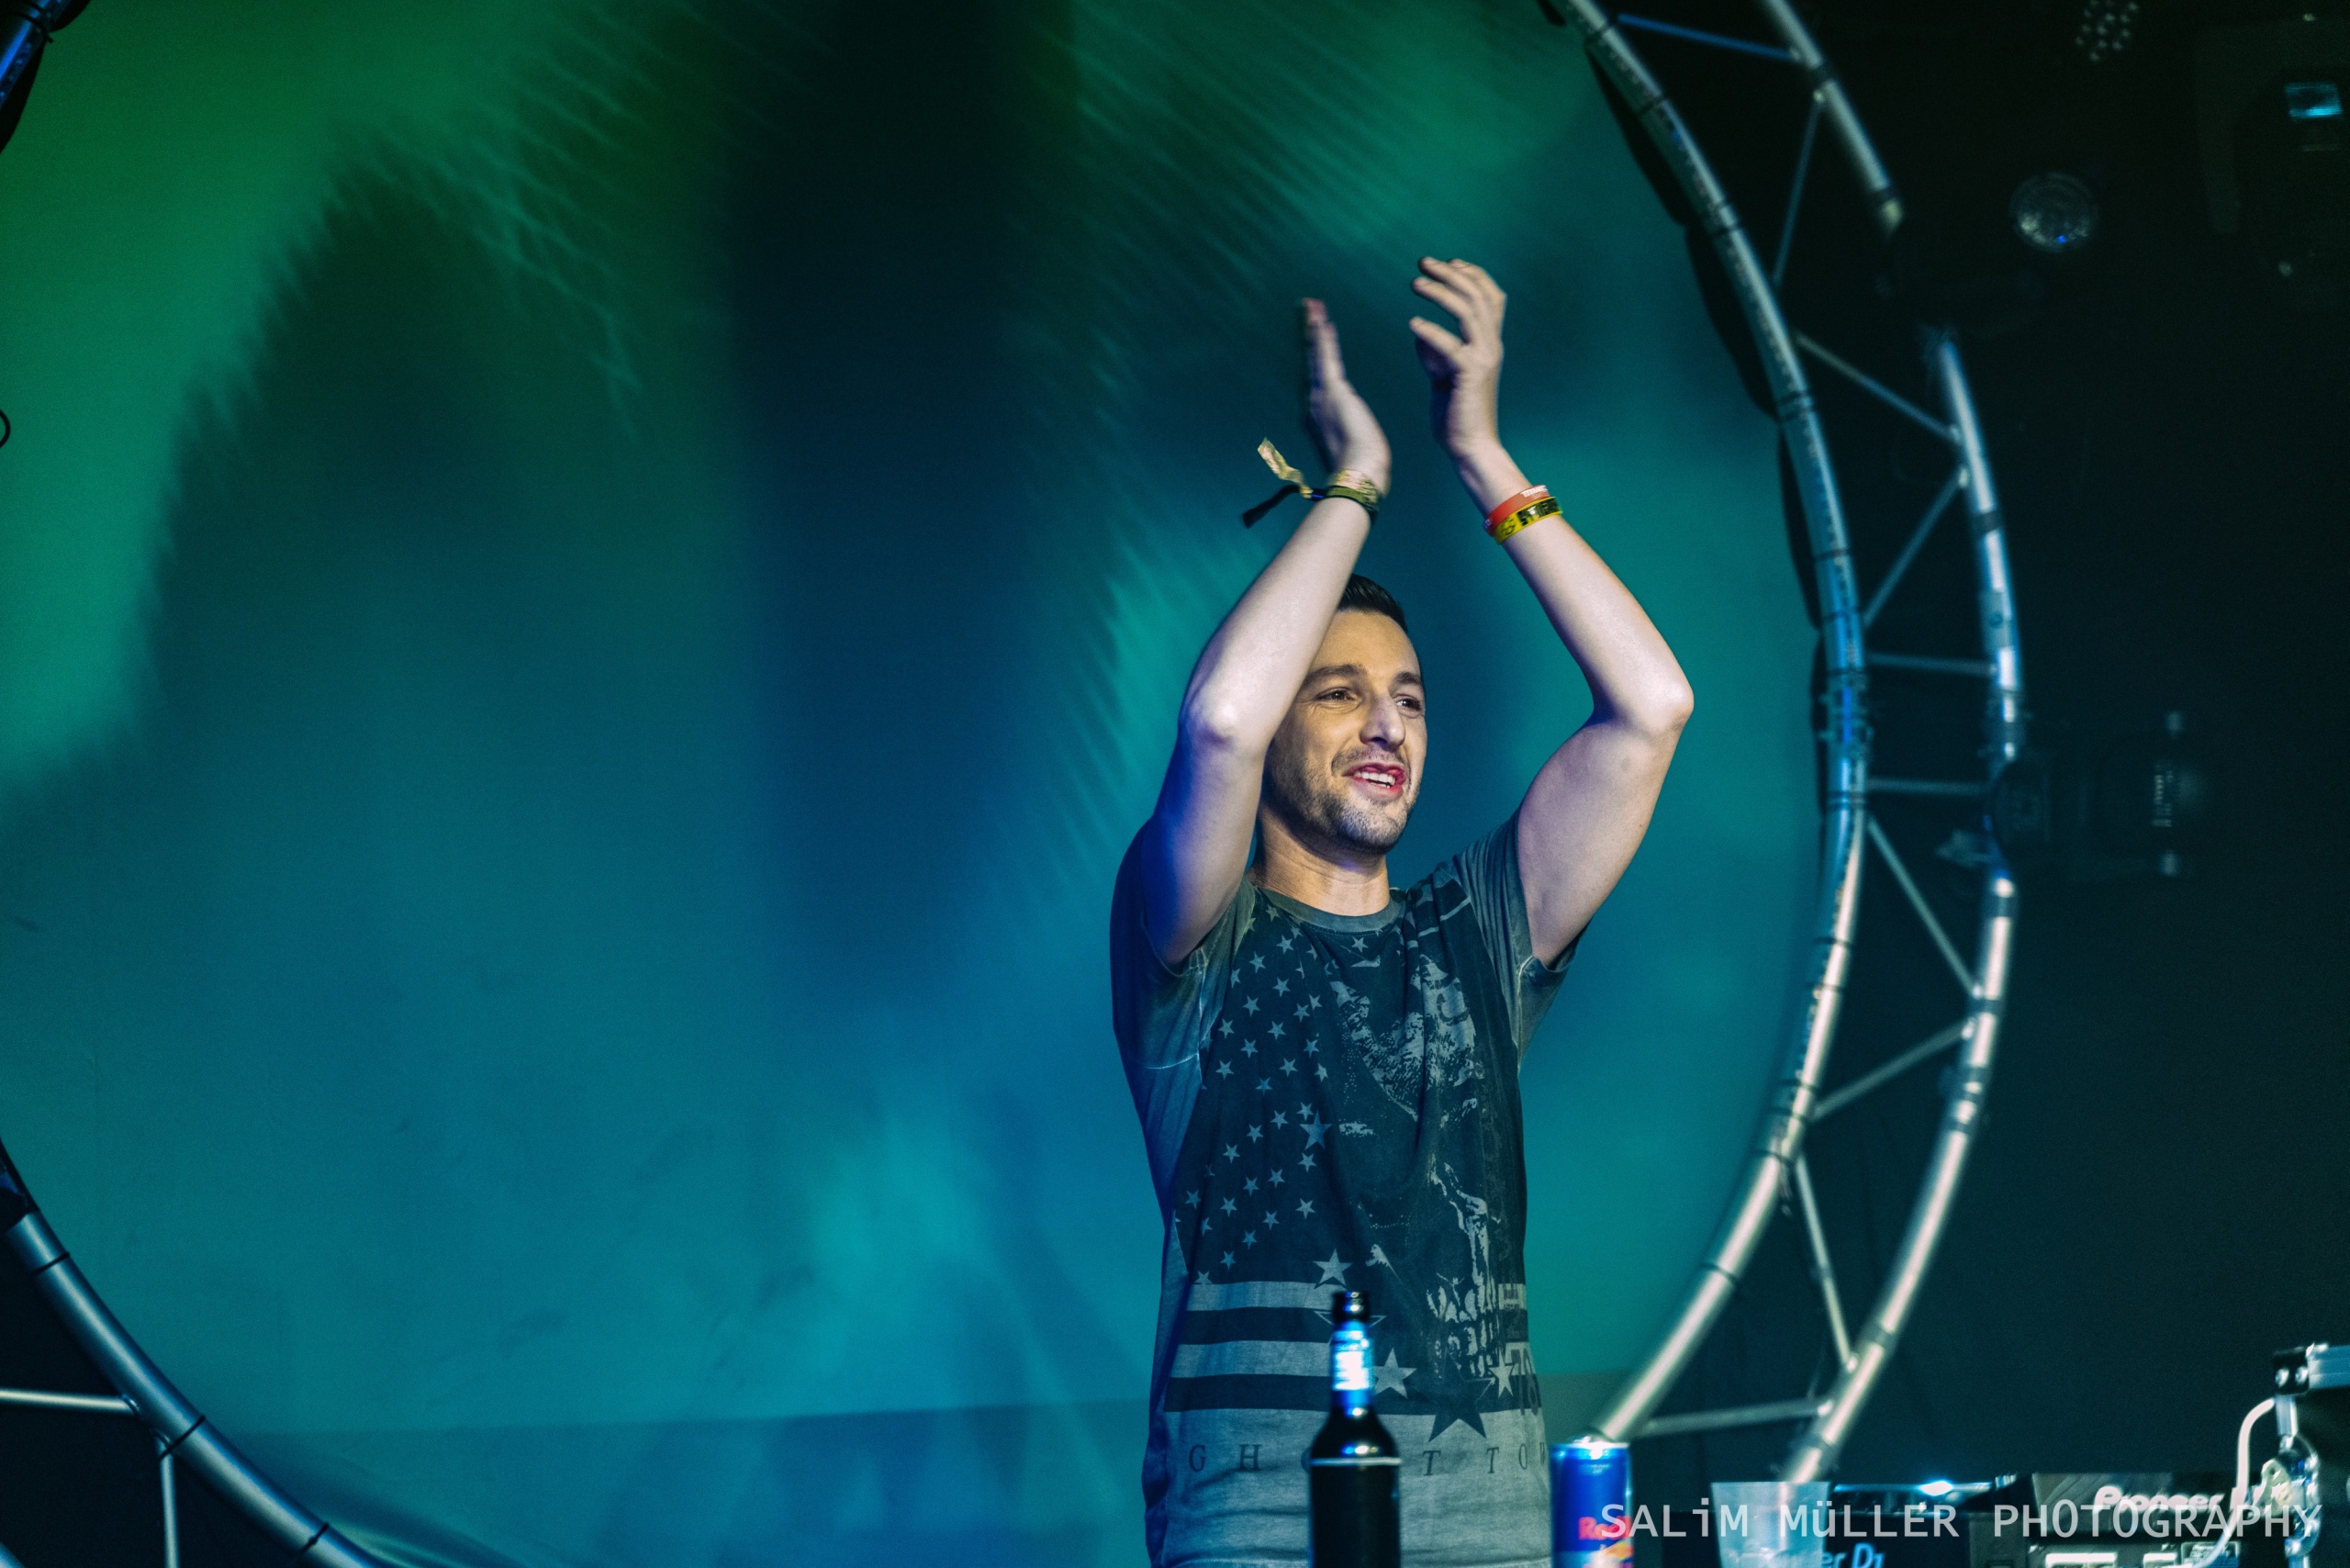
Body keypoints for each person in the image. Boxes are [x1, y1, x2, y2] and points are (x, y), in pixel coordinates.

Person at [1109, 258, 1695, 1568]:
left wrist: (1480, 453)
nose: (1387, 724)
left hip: (1488, 1516)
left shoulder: (1475, 932)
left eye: (1411, 700)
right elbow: (1220, 721)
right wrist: (1356, 483)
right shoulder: (1196, 937)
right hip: (1257, 1516)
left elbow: (1652, 706)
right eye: (1339, 693)